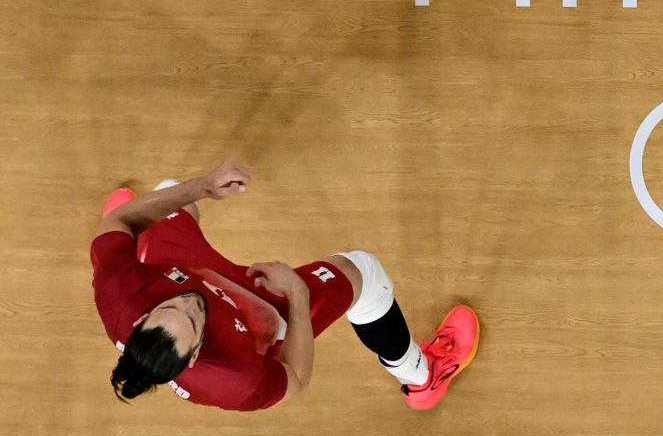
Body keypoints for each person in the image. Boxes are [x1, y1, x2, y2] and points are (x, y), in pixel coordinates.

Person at [91, 159, 478, 411]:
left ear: (140, 320)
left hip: (175, 268)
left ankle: (132, 248)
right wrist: (296, 292)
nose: (189, 303)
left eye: (170, 308)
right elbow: (295, 380)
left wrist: (202, 189)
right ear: (193, 356)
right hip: (260, 311)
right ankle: (419, 375)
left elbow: (116, 224)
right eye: (192, 321)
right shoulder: (235, 381)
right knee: (366, 271)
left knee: (169, 189)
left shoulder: (118, 293)